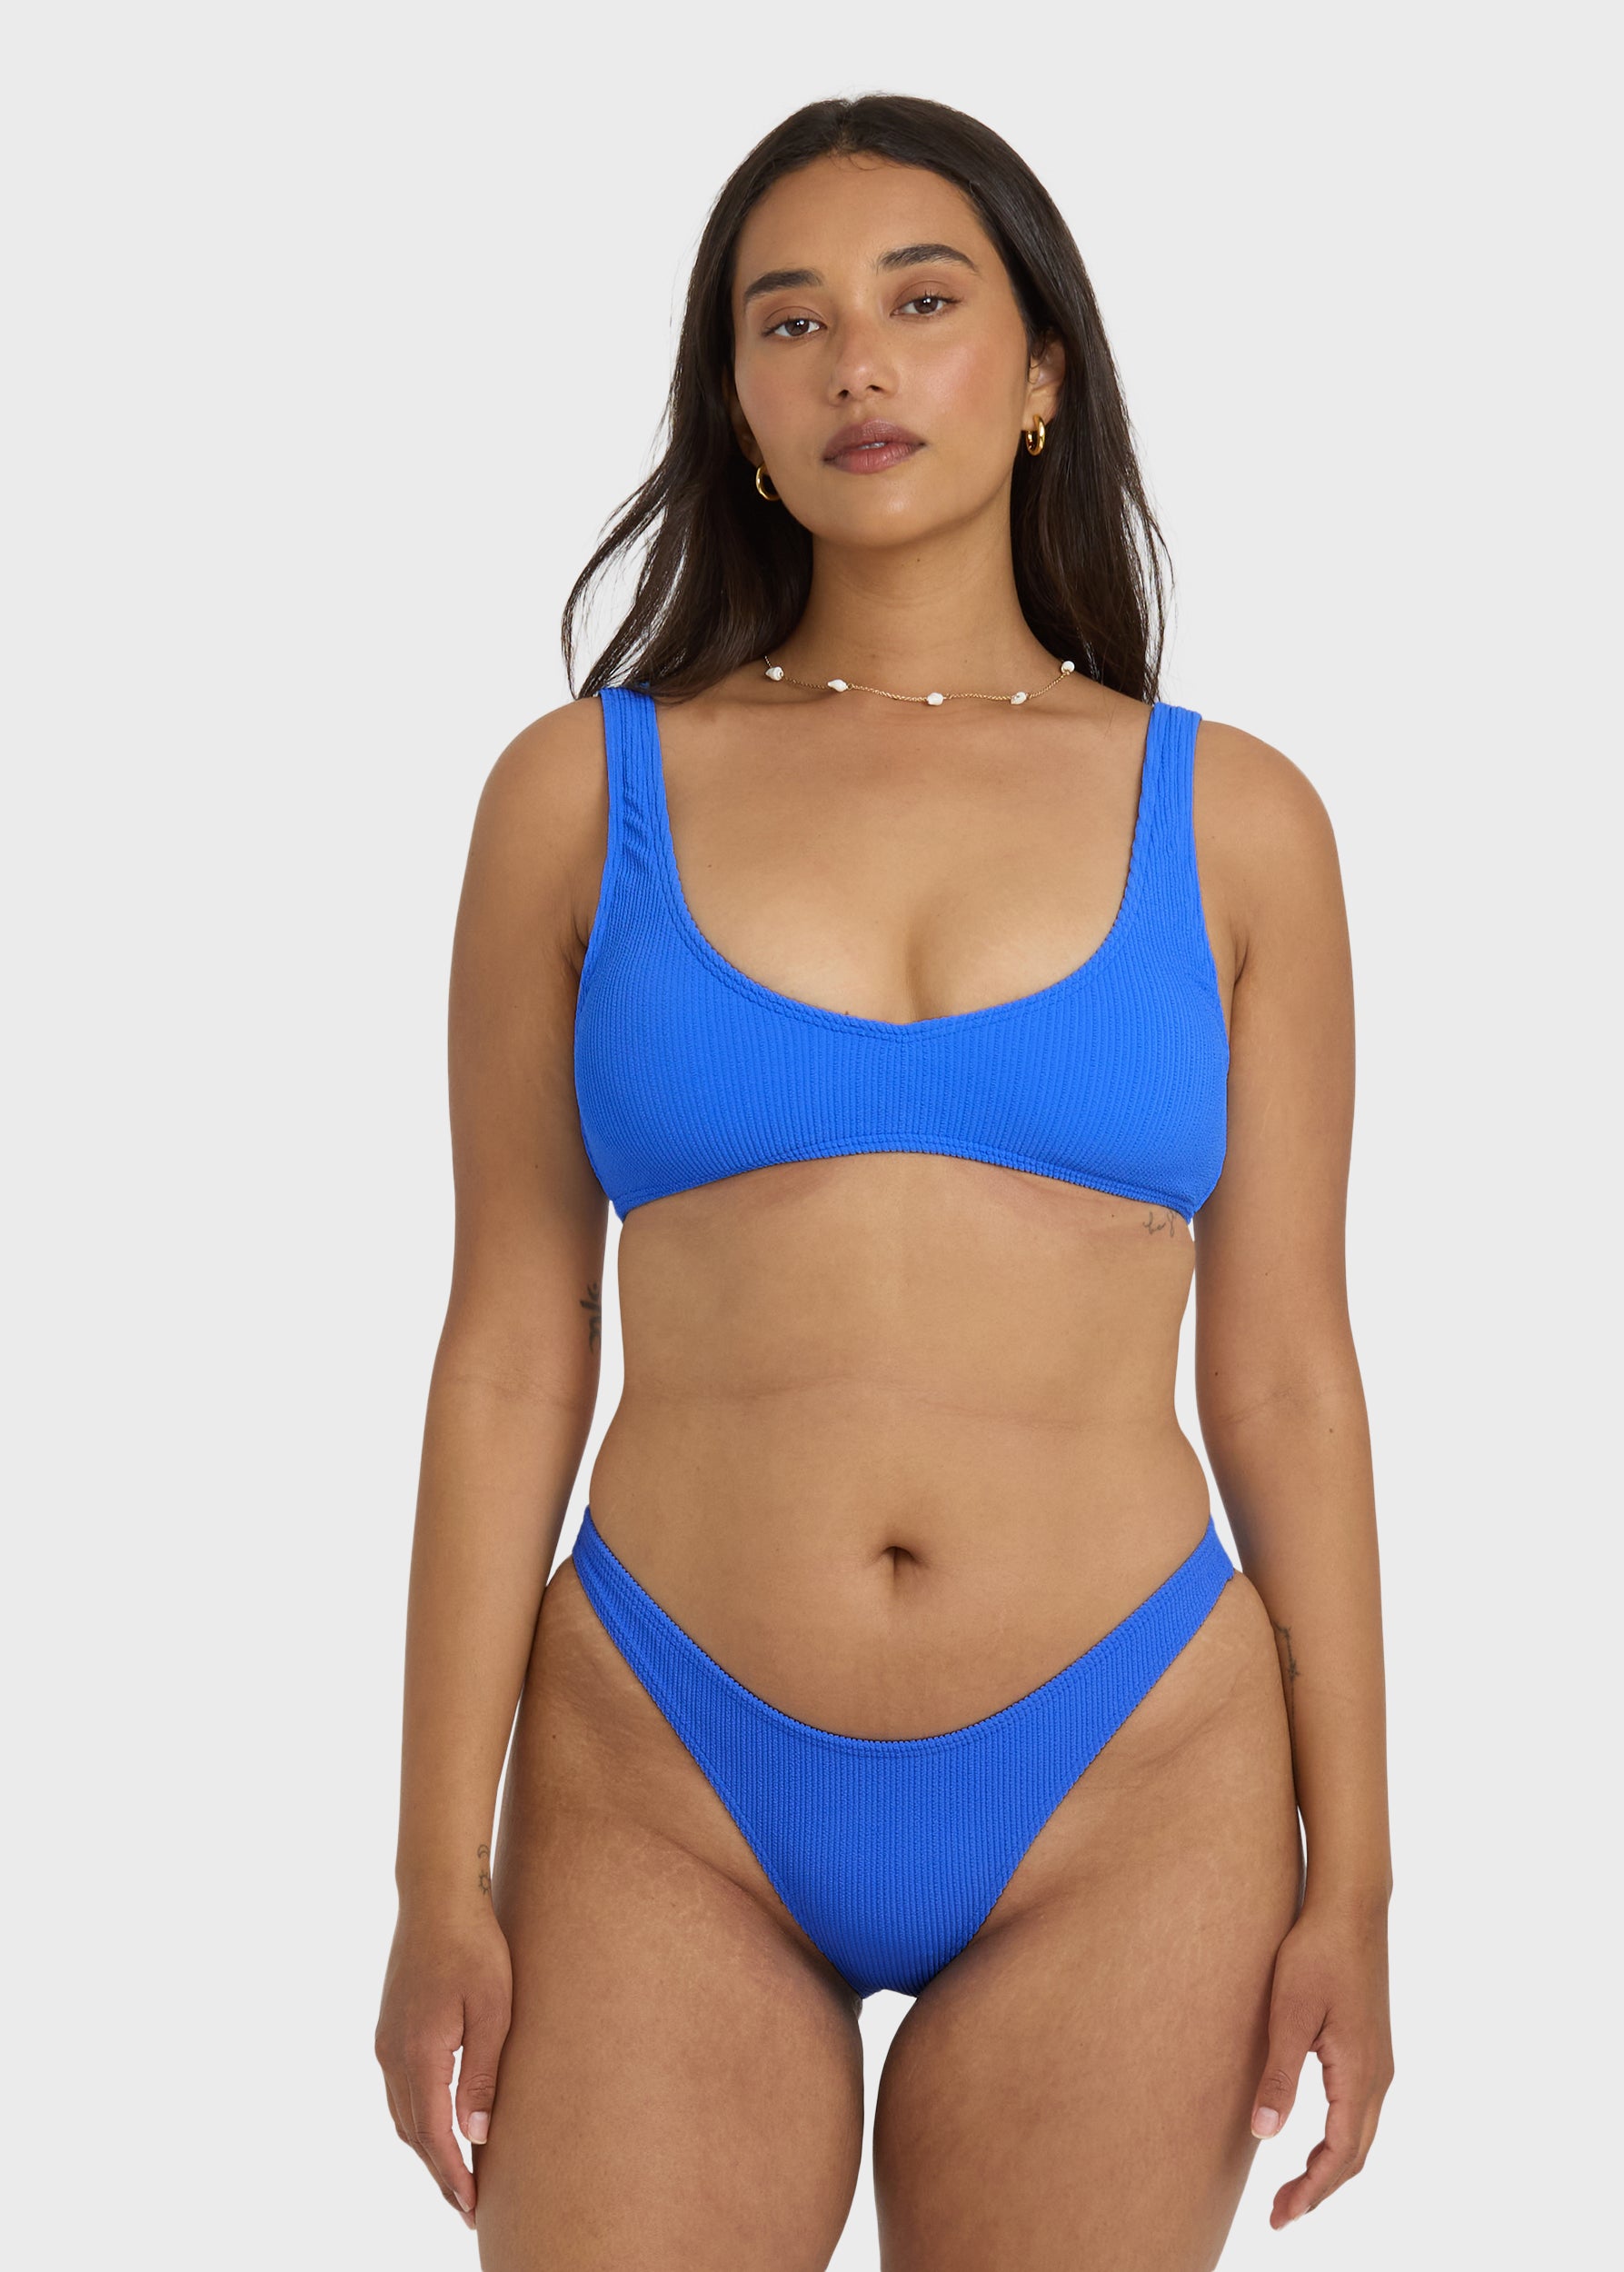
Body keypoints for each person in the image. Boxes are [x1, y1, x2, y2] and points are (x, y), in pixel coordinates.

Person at [374, 91, 1393, 2268]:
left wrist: (1362, 1873)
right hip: (662, 1763)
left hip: (1133, 1768)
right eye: (789, 319)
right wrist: (429, 1870)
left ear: (1040, 377)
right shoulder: (580, 796)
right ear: (736, 405)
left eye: (923, 303)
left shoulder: (1237, 823)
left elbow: (1289, 1376)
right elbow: (506, 1349)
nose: (856, 362)